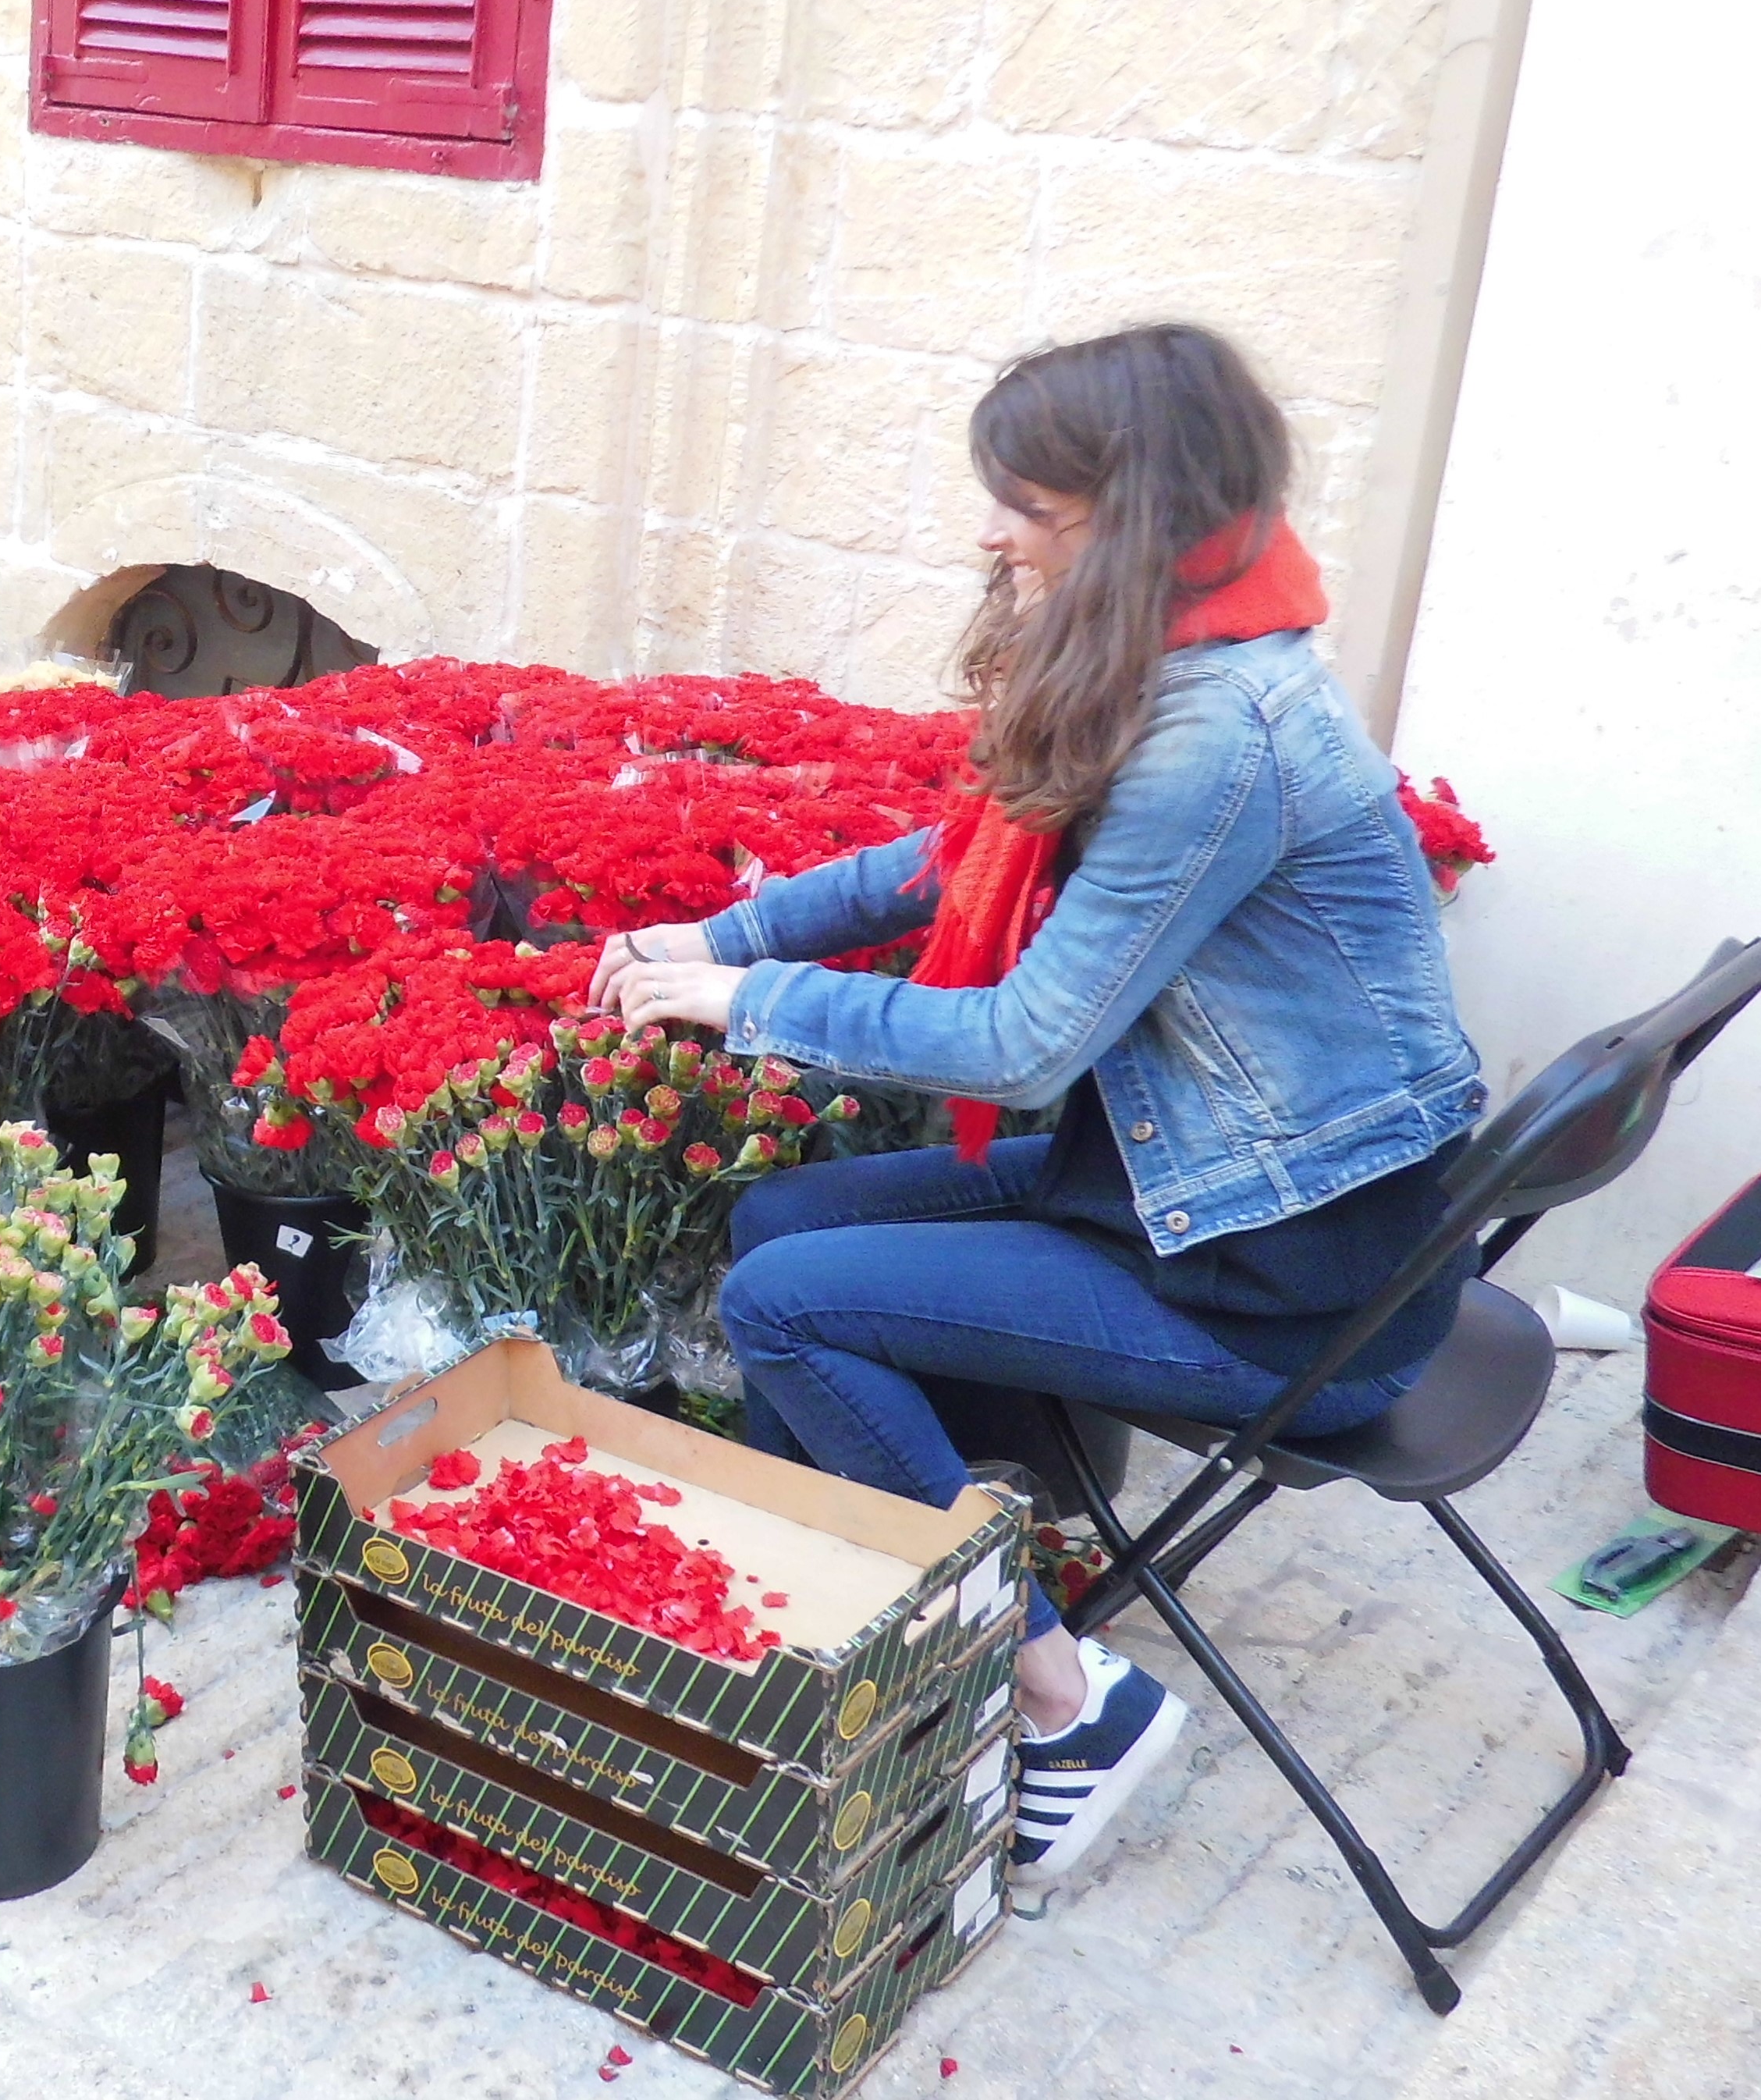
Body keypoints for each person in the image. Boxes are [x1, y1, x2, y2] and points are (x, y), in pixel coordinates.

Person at [600, 324, 1484, 1897]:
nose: (992, 531)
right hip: (1208, 1192)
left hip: (1290, 1282)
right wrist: (720, 938)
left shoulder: (1214, 736)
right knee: (779, 1218)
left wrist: (749, 1008)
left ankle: (1068, 1701)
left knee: (780, 1306)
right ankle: (964, 1557)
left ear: (1132, 515)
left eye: (1030, 504)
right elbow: (956, 862)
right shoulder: (1182, 653)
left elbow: (1019, 1043)